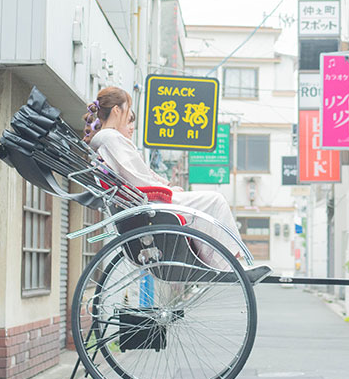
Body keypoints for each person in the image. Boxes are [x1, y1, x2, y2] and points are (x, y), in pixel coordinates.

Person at [82, 86, 243, 262]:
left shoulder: (106, 139)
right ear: (117, 110)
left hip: (146, 200)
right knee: (215, 200)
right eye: (127, 110)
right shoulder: (110, 138)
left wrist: (166, 187)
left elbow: (137, 174)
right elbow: (138, 178)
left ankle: (220, 260)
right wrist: (168, 191)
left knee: (210, 201)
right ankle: (227, 262)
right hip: (151, 201)